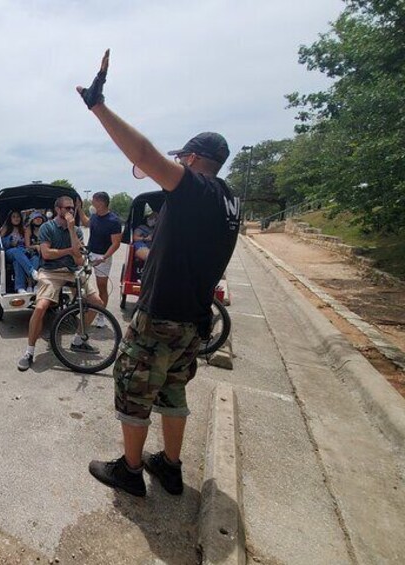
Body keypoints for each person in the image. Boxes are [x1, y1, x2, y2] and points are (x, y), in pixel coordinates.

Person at [77, 50, 240, 497]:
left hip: (161, 315)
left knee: (133, 389)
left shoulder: (197, 189)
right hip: (193, 319)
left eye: (181, 161)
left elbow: (145, 153)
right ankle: (169, 466)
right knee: (173, 391)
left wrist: (98, 106)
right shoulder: (230, 200)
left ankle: (129, 472)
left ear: (190, 159)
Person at [17, 196, 103, 371]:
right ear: (58, 209)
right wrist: (69, 251)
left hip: (72, 271)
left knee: (97, 303)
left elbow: (79, 260)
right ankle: (29, 351)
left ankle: (78, 340)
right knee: (40, 307)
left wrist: (71, 230)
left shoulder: (77, 231)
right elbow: (47, 254)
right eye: (67, 208)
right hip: (50, 272)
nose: (71, 211)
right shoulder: (46, 228)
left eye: (72, 208)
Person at [77, 191, 123, 327]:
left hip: (103, 256)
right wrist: (79, 208)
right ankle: (87, 309)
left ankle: (101, 314)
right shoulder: (95, 216)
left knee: (101, 286)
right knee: (83, 283)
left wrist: (103, 258)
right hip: (90, 253)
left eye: (94, 200)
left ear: (101, 202)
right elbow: (86, 223)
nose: (92, 202)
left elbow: (116, 243)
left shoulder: (114, 221)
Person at [0, 210, 39, 293]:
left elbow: (28, 243)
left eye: (18, 217)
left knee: (29, 259)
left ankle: (22, 287)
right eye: (14, 217)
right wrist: (10, 242)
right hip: (10, 252)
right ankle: (31, 271)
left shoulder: (23, 228)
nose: (16, 218)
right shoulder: (5, 228)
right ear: (10, 218)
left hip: (22, 253)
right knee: (15, 251)